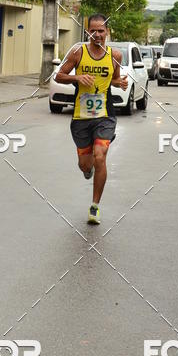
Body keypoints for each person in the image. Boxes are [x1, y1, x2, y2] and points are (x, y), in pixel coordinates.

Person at [54, 14, 128, 224]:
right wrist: (77, 77)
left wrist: (118, 83)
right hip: (80, 117)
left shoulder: (115, 56)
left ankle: (94, 206)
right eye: (93, 31)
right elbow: (58, 75)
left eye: (101, 31)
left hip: (105, 114)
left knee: (100, 156)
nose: (97, 35)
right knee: (85, 165)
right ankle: (89, 170)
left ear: (107, 33)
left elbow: (113, 79)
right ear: (88, 32)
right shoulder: (79, 53)